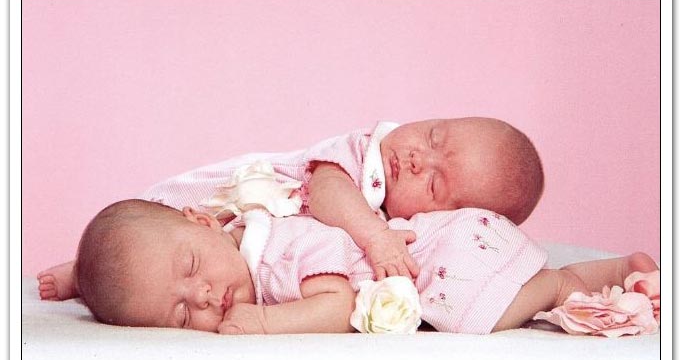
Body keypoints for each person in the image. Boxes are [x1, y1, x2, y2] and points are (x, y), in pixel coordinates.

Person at [38, 116, 545, 301]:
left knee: (165, 286)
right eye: (434, 137)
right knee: (145, 237)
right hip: (233, 200)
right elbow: (327, 192)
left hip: (247, 248)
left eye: (434, 183)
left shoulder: (407, 228)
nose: (418, 160)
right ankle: (84, 272)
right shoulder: (363, 154)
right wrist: (374, 236)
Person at [74, 199, 658, 336]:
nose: (203, 296)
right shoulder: (246, 258)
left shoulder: (277, 249)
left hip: (441, 261)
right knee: (532, 286)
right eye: (181, 314)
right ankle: (616, 268)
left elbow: (339, 304)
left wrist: (267, 324)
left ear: (205, 222)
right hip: (445, 248)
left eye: (192, 267)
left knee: (496, 309)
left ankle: (568, 283)